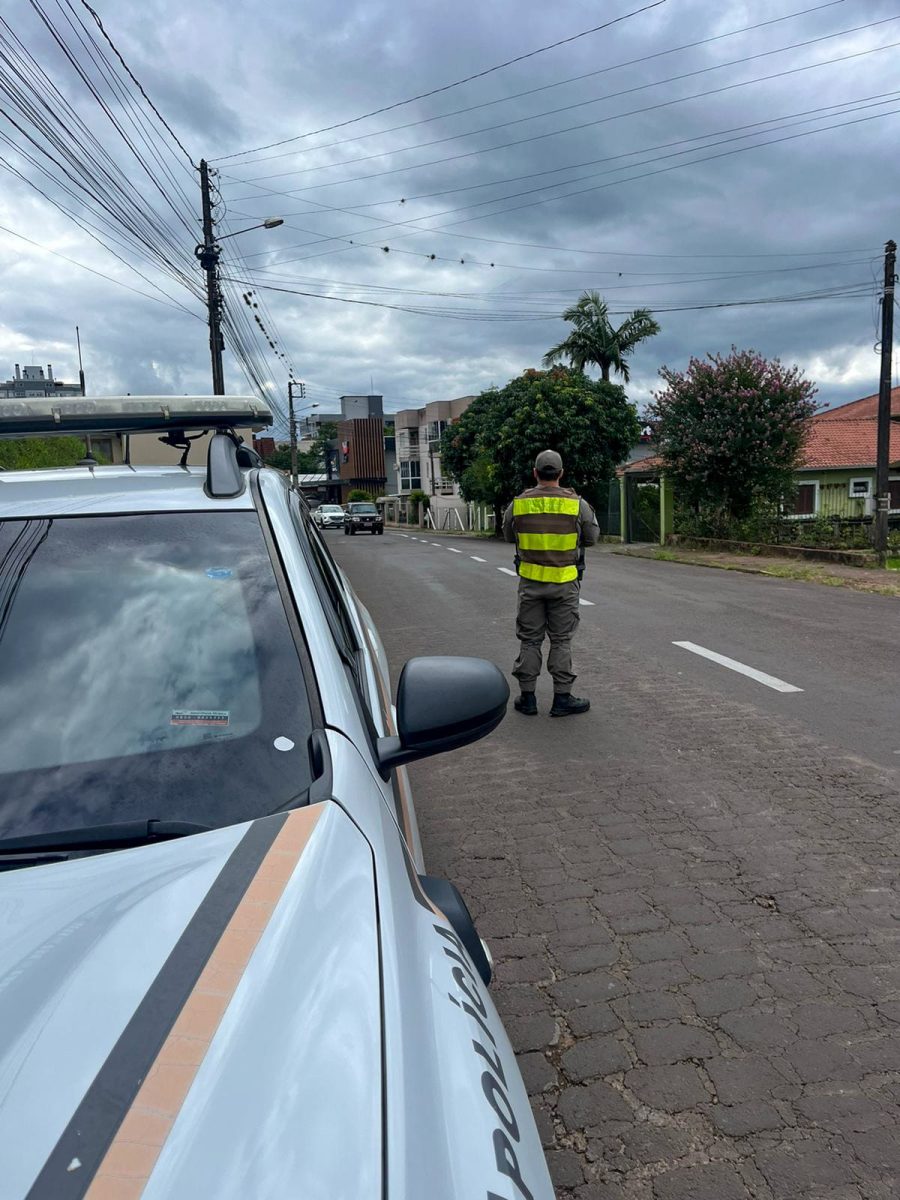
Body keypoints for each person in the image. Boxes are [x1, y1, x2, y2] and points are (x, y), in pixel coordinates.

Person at [502, 449, 599, 717]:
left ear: (535, 473)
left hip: (531, 584)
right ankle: (562, 699)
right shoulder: (577, 504)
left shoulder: (518, 504)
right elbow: (591, 538)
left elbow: (509, 536)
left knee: (530, 640)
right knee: (561, 640)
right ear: (561, 473)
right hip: (565, 584)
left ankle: (528, 698)